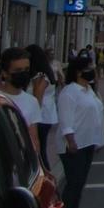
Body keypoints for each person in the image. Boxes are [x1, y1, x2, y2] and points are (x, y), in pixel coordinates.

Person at [56, 57, 104, 208]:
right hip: (73, 145)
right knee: (73, 184)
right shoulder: (69, 92)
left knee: (79, 185)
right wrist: (70, 140)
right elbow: (65, 119)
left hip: (88, 142)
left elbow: (97, 115)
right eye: (89, 67)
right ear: (78, 71)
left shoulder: (89, 90)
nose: (92, 70)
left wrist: (98, 140)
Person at [0, 46, 43, 155]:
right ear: (5, 73)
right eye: (18, 70)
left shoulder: (32, 102)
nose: (23, 74)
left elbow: (34, 140)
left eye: (26, 70)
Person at [28, 44, 59, 174]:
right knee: (41, 148)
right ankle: (45, 174)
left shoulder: (40, 77)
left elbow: (37, 98)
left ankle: (45, 175)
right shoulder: (48, 73)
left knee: (38, 150)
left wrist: (32, 117)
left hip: (41, 116)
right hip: (48, 115)